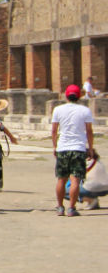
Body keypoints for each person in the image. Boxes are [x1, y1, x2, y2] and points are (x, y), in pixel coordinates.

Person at [51, 83, 95, 217]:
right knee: (75, 180)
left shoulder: (58, 109)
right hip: (78, 148)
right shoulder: (85, 110)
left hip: (63, 148)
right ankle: (71, 208)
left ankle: (59, 207)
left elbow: (54, 131)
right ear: (79, 96)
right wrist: (91, 148)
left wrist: (55, 146)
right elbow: (89, 131)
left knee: (61, 179)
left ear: (66, 95)